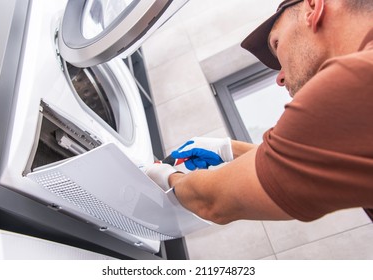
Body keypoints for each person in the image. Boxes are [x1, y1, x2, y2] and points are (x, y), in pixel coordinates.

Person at [145, 0, 373, 224]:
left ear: (313, 8)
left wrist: (166, 177)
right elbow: (307, 162)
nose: (280, 78)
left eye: (276, 43)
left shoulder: (354, 80)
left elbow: (213, 202)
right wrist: (227, 149)